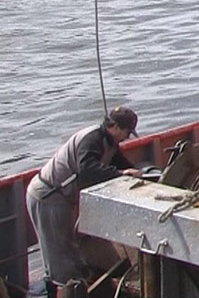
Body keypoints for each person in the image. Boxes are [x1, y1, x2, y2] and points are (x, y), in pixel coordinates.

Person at [26, 107, 142, 290]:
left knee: (69, 251)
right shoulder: (93, 139)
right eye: (127, 132)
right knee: (60, 257)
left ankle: (76, 284)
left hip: (63, 198)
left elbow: (121, 164)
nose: (128, 137)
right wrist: (121, 174)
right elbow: (87, 170)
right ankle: (61, 291)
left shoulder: (109, 142)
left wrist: (142, 175)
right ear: (116, 127)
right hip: (49, 197)